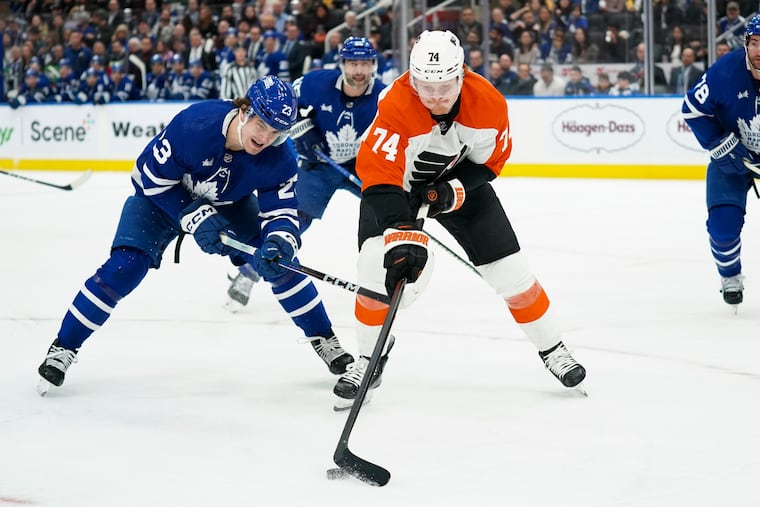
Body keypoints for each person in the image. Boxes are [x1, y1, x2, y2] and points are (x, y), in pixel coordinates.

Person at [36, 76, 354, 396]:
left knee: (281, 265)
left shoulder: (280, 155)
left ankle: (325, 339)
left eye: (276, 132)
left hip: (230, 206)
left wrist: (280, 239)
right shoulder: (196, 123)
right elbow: (146, 177)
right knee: (124, 267)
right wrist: (195, 214)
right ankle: (64, 347)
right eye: (262, 125)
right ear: (244, 111)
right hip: (160, 202)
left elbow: (281, 212)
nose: (266, 137)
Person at [332, 30, 586, 410]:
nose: (434, 95)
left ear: (461, 74)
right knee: (374, 274)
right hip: (394, 190)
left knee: (513, 275)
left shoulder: (488, 104)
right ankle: (370, 359)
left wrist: (455, 190)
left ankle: (553, 348)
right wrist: (402, 235)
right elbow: (379, 176)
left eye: (445, 85)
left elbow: (490, 164)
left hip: (455, 182)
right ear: (412, 78)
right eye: (425, 85)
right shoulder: (396, 104)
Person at [226, 36, 386, 310]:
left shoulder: (385, 95)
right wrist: (303, 130)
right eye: (352, 63)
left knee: (389, 210)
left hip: (363, 165)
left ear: (374, 65)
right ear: (342, 64)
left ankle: (390, 276)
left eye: (364, 64)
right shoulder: (314, 83)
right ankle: (249, 273)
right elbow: (286, 104)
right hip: (318, 165)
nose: (358, 71)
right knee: (293, 219)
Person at [682, 15, 760, 311]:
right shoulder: (726, 70)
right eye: (754, 43)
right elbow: (691, 109)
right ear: (745, 44)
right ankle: (730, 276)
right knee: (723, 226)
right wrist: (721, 145)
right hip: (733, 159)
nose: (758, 51)